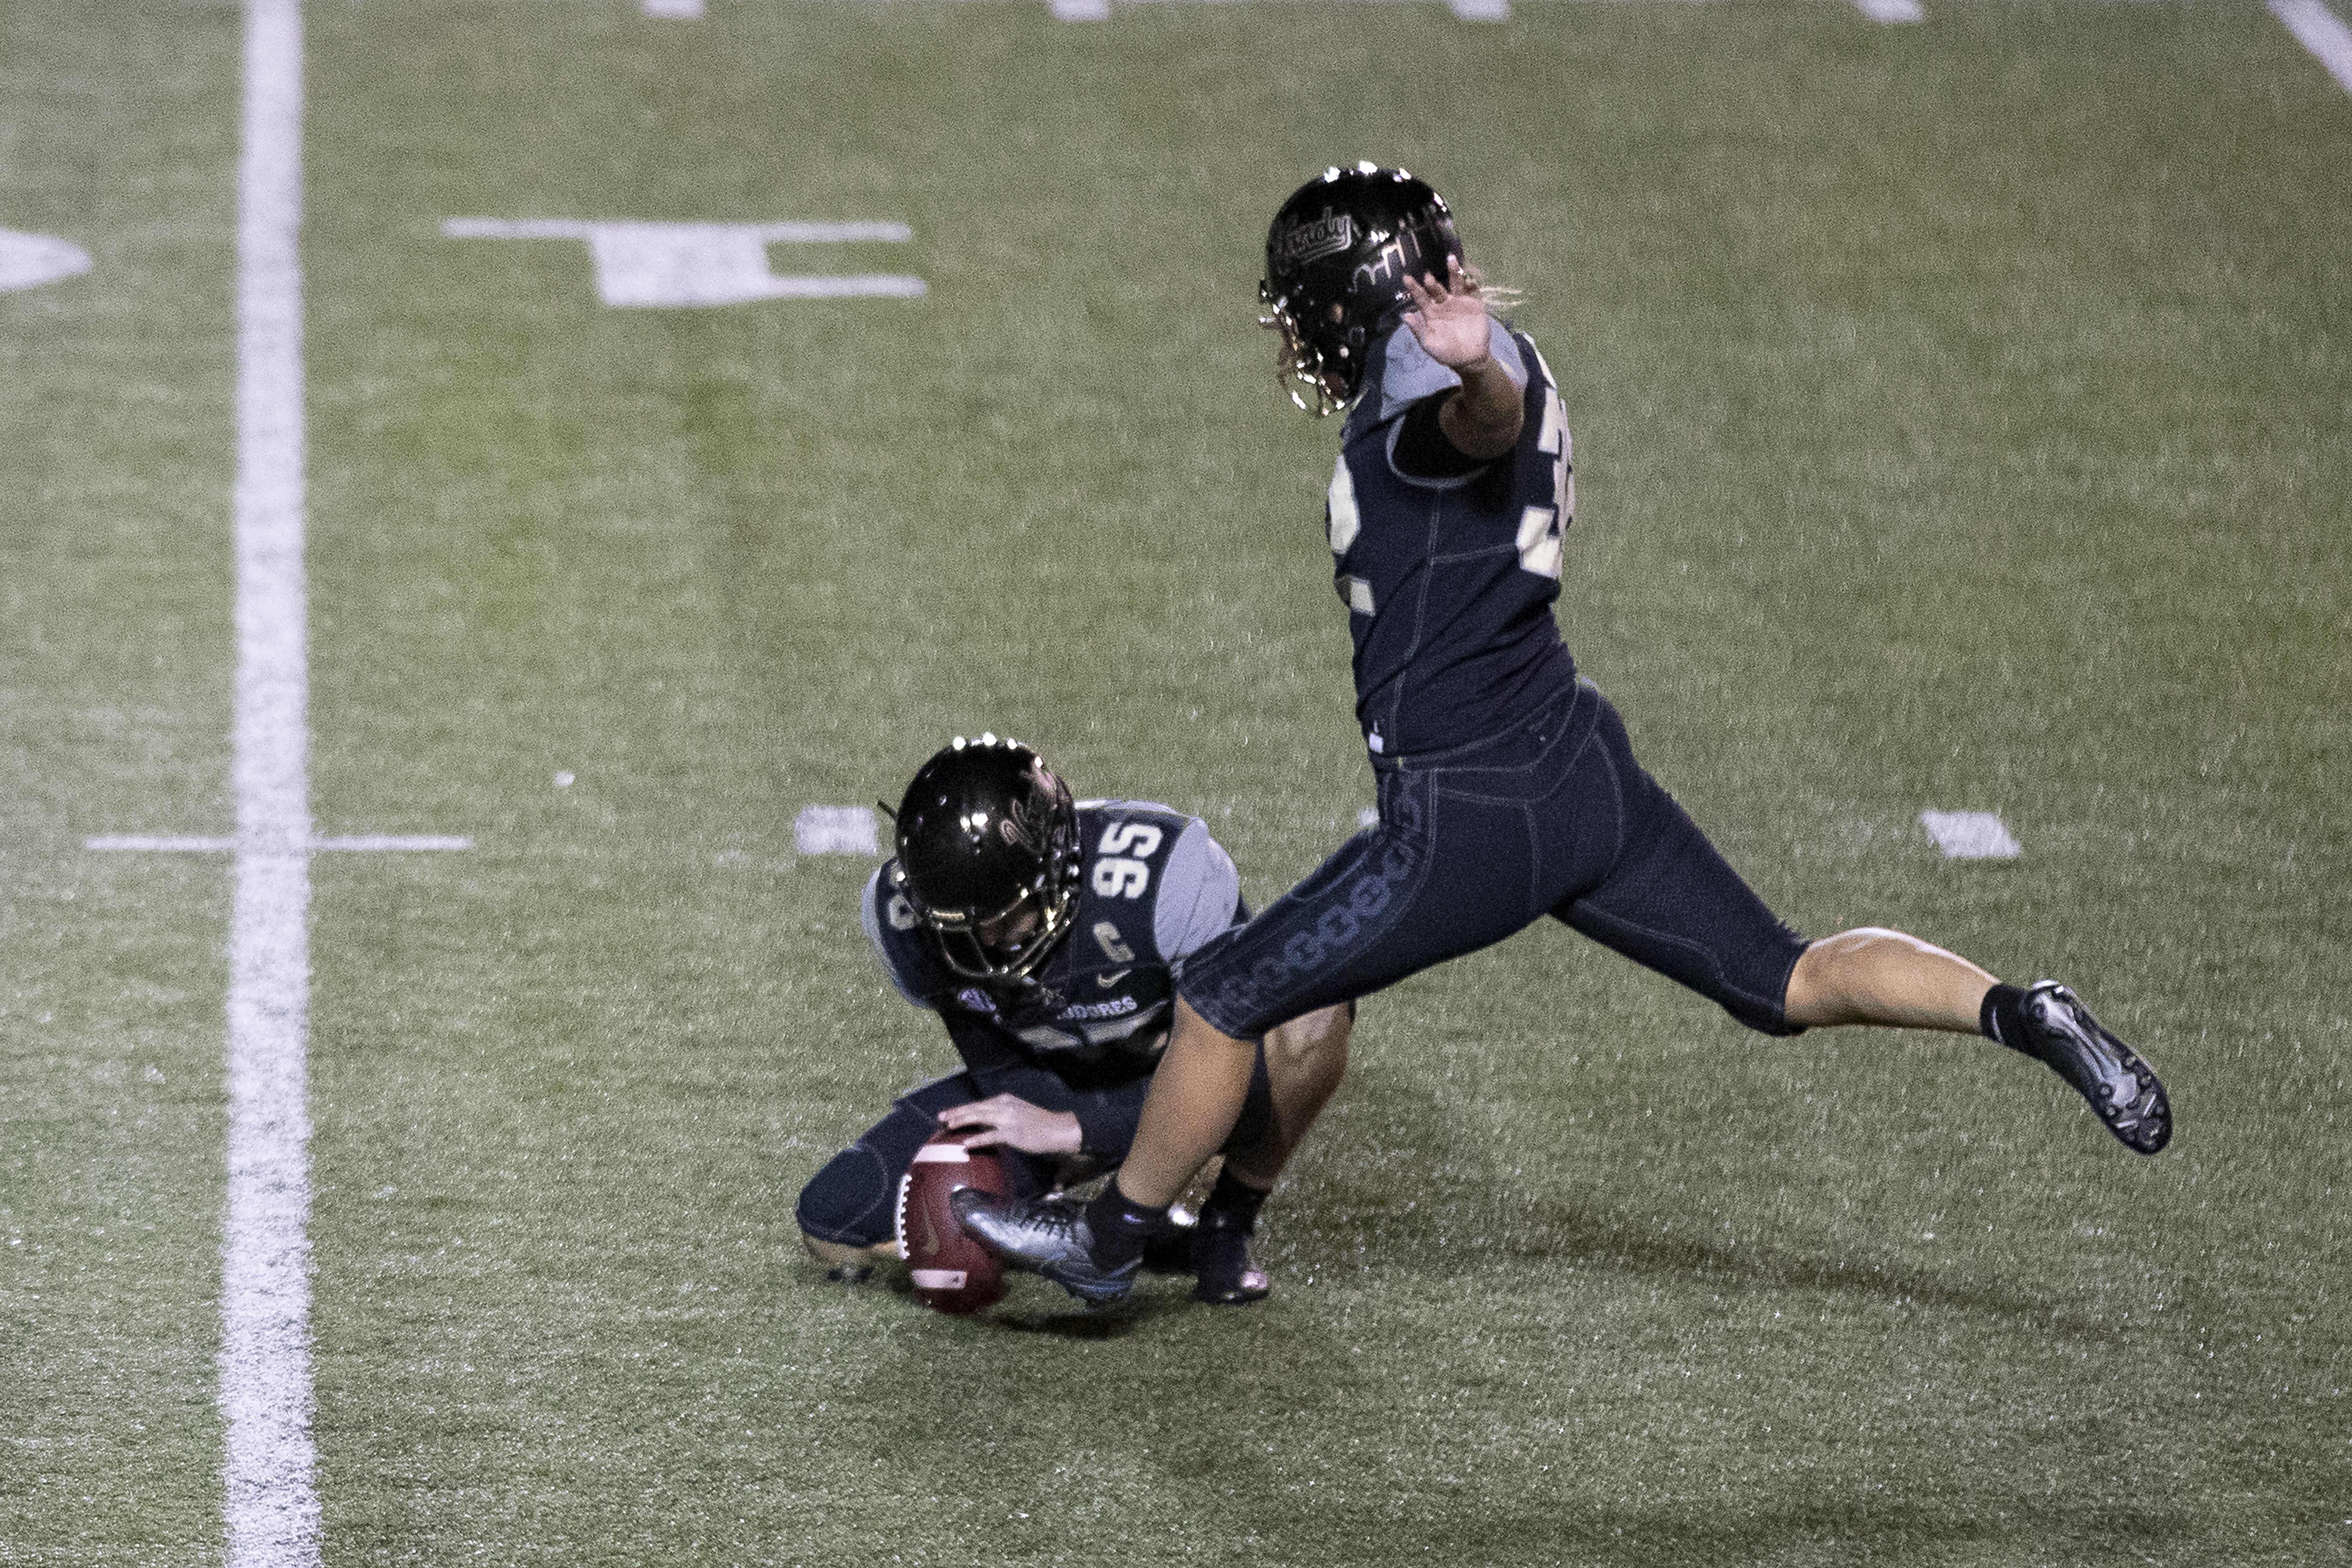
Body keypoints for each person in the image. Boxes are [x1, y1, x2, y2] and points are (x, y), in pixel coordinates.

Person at [958, 163, 2172, 1305]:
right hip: (1579, 768)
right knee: (1787, 978)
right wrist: (1486, 366)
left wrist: (1473, 372)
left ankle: (1108, 1236)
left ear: (1361, 297)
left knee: (1226, 996)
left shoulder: (1430, 397)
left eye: (1311, 305)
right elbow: (1498, 413)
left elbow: (1479, 427)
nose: (1299, 332)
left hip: (1465, 816)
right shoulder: (1498, 359)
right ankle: (2022, 1011)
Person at [795, 733, 1352, 1305]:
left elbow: (1233, 1065)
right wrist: (1051, 1133)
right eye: (956, 927)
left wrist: (1078, 1129)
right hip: (1051, 1080)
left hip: (1181, 1071)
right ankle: (1094, 1225)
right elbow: (1003, 1068)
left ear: (1057, 867)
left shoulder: (1164, 876)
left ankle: (1226, 1226)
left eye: (1002, 916)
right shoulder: (904, 917)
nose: (981, 945)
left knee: (1311, 1015)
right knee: (832, 1226)